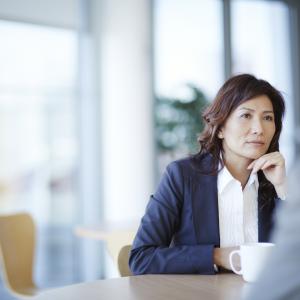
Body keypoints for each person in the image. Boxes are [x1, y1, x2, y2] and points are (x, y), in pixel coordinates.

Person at [129, 74, 286, 275]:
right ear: (220, 128)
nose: (259, 129)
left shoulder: (276, 181)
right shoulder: (181, 176)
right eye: (246, 115)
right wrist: (219, 256)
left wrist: (283, 190)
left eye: (267, 118)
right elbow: (141, 258)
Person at [245, 158, 300, 300]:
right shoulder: (183, 175)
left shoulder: (273, 178)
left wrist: (281, 185)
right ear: (220, 133)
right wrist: (217, 256)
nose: (258, 133)